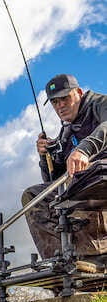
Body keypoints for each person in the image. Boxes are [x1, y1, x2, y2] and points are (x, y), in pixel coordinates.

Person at [22, 74, 107, 273]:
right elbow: (55, 183)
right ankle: (63, 260)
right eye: (55, 102)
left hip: (100, 176)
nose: (60, 106)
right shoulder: (66, 133)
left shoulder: (99, 103)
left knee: (87, 179)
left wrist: (84, 149)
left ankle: (97, 257)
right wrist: (46, 157)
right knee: (34, 196)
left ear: (79, 93)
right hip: (84, 182)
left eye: (65, 99)